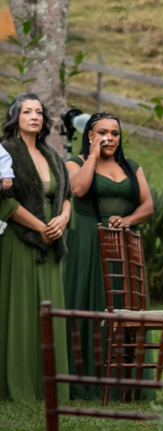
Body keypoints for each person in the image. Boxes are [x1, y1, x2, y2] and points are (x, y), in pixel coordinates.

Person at [63, 112, 154, 398]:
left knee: (121, 305)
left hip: (122, 245)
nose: (109, 137)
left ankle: (127, 383)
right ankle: (86, 381)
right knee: (90, 303)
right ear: (90, 135)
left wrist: (128, 221)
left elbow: (148, 206)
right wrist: (91, 156)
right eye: (102, 132)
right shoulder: (74, 163)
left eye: (115, 133)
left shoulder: (131, 167)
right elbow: (77, 189)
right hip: (87, 240)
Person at [0, 94, 71, 402]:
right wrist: (41, 227)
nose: (34, 116)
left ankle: (50, 387)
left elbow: (66, 194)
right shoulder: (5, 152)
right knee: (21, 311)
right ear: (15, 117)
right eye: (27, 111)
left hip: (53, 242)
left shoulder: (51, 154)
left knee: (49, 311)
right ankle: (18, 385)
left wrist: (63, 220)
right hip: (21, 239)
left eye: (39, 112)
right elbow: (5, 201)